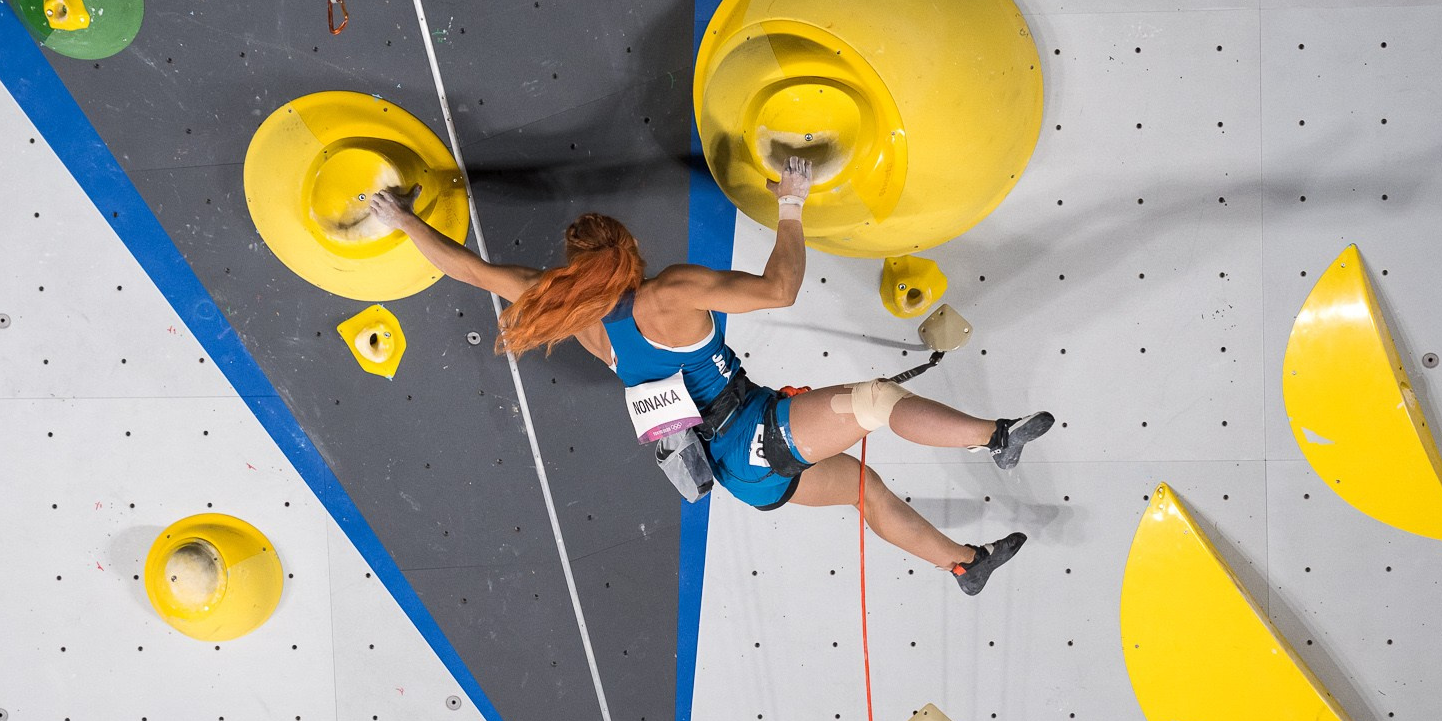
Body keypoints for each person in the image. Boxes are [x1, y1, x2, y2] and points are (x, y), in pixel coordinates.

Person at [366, 157, 1052, 594]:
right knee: (874, 401)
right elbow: (781, 288)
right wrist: (791, 202)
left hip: (740, 469)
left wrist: (400, 217)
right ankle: (995, 438)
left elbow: (466, 266)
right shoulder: (668, 293)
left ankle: (964, 563)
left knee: (865, 490)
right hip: (749, 437)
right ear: (627, 256)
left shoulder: (564, 307)